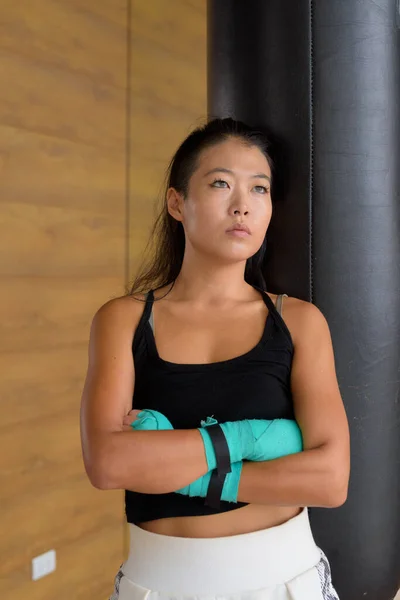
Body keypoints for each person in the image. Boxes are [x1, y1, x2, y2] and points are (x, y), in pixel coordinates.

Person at [80, 118, 350, 600]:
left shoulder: (301, 322)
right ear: (177, 202)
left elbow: (330, 480)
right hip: (160, 584)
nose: (243, 204)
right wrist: (251, 440)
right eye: (221, 183)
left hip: (287, 582)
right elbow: (108, 463)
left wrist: (176, 465)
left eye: (260, 188)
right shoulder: (122, 320)